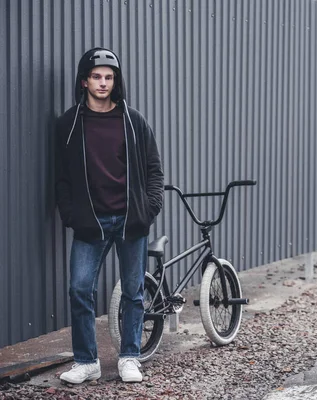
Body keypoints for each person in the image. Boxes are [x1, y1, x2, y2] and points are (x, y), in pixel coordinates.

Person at [54, 47, 164, 384]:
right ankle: (87, 362)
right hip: (91, 222)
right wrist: (72, 215)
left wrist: (150, 207)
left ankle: (129, 357)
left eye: (109, 77)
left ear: (116, 82)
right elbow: (61, 177)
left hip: (131, 220)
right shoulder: (69, 124)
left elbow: (154, 170)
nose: (103, 83)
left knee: (133, 292)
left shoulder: (134, 120)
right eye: (97, 77)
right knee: (79, 289)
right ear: (84, 81)